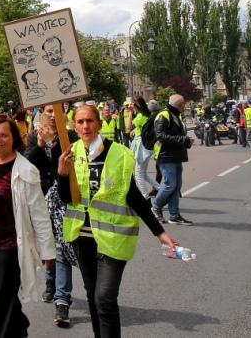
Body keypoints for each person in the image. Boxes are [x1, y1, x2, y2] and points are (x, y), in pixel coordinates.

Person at [58, 104, 179, 338]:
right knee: (94, 297)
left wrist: (160, 233)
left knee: (105, 297)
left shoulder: (119, 153)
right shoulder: (69, 152)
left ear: (99, 124)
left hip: (113, 238)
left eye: (90, 121)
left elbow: (133, 196)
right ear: (74, 125)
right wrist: (62, 174)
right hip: (82, 238)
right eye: (80, 122)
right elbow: (66, 198)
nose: (86, 126)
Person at [0, 114, 55, 338]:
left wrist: (47, 251)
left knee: (1, 303)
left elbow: (39, 214)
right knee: (0, 295)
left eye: (4, 135)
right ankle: (19, 324)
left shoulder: (25, 170)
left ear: (14, 138)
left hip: (10, 246)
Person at [25, 105, 79, 328]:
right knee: (47, 243)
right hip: (40, 198)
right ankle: (50, 281)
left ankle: (61, 298)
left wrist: (55, 144)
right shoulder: (33, 135)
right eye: (48, 110)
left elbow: (70, 164)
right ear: (42, 113)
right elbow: (27, 161)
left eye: (57, 109)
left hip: (63, 198)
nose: (52, 113)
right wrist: (40, 144)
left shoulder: (71, 136)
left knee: (61, 245)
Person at [152, 94, 193, 225]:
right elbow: (160, 136)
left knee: (176, 187)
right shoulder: (164, 115)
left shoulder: (175, 115)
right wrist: (182, 140)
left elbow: (177, 135)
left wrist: (186, 141)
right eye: (183, 104)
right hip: (166, 155)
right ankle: (155, 207)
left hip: (175, 155)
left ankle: (174, 215)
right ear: (177, 105)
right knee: (170, 185)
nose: (184, 107)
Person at [129, 98, 160, 200]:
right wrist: (135, 129)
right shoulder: (147, 115)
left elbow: (129, 125)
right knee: (143, 173)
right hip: (146, 146)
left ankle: (145, 197)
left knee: (138, 174)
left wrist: (130, 113)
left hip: (140, 146)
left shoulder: (140, 116)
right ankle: (161, 190)